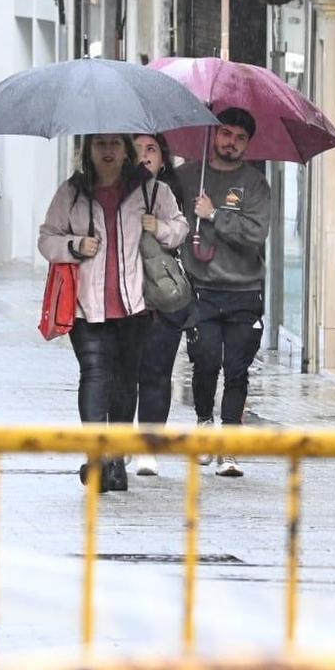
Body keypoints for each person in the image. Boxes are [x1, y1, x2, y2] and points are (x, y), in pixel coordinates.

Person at [38, 133, 188, 493]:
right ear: (88, 150)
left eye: (115, 144)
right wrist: (75, 245)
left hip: (134, 306)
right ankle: (97, 457)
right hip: (86, 308)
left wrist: (159, 228)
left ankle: (117, 460)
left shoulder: (152, 191)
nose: (108, 151)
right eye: (100, 144)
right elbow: (47, 239)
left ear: (126, 150)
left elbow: (180, 228)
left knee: (124, 382)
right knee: (93, 375)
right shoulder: (72, 192)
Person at [178, 107, 272, 478]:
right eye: (226, 134)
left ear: (248, 144)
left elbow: (256, 233)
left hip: (244, 292)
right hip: (201, 290)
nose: (231, 142)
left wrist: (215, 215)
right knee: (205, 362)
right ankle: (204, 422)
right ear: (214, 134)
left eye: (240, 138)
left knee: (237, 369)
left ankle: (230, 444)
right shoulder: (188, 176)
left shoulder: (255, 184)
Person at [118, 132, 192, 477]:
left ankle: (148, 446)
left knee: (157, 372)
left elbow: (181, 231)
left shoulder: (165, 192)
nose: (145, 156)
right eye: (137, 150)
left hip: (160, 296)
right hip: (122, 296)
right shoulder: (112, 191)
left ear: (163, 158)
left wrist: (158, 226)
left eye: (152, 149)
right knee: (124, 373)